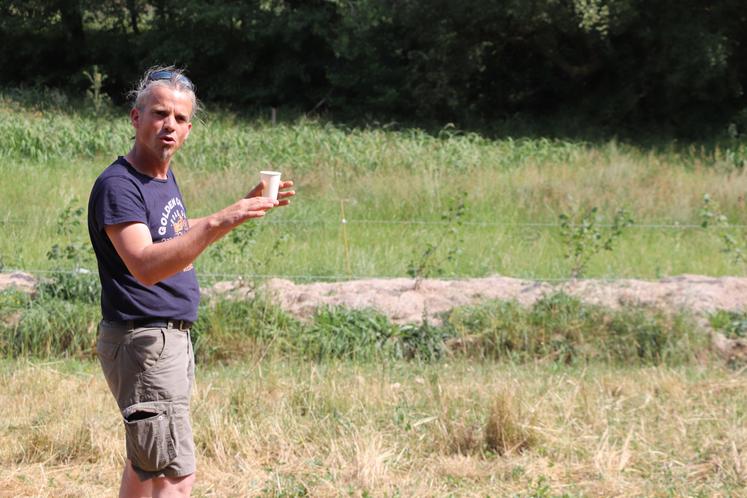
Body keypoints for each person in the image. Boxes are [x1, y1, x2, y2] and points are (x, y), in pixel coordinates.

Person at [87, 66, 294, 497]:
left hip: (162, 339)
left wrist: (239, 210)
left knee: (146, 466)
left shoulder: (160, 177)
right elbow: (144, 263)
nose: (170, 126)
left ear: (189, 129)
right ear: (135, 117)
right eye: (160, 114)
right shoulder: (119, 185)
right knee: (175, 478)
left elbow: (171, 232)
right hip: (144, 340)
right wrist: (221, 220)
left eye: (180, 119)